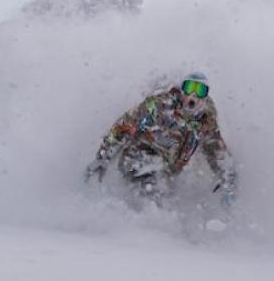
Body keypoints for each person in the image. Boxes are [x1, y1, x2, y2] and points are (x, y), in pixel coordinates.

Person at [85, 72, 236, 206]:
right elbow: (123, 126)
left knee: (165, 195)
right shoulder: (158, 106)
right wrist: (104, 156)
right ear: (182, 90)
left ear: (206, 96)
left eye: (201, 90)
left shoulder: (205, 122)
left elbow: (216, 150)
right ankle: (138, 220)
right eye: (190, 87)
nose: (194, 95)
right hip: (138, 159)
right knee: (151, 193)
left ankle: (153, 226)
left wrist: (227, 178)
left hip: (167, 171)